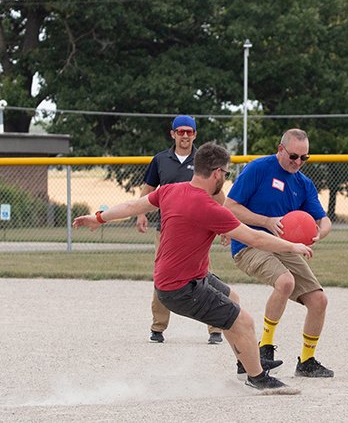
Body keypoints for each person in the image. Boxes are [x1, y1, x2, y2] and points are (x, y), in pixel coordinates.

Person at [73, 142, 312, 393]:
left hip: (177, 279)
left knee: (232, 298)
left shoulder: (170, 190)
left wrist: (98, 218)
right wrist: (292, 246)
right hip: (181, 288)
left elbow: (133, 206)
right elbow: (254, 238)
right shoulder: (208, 207)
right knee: (244, 322)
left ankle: (244, 364)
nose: (225, 179)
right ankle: (258, 378)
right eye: (227, 174)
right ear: (217, 173)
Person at [225, 128, 334, 378]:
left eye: (304, 158)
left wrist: (321, 233)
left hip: (284, 247)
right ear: (280, 149)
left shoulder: (303, 183)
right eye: (294, 156)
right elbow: (230, 207)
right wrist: (266, 221)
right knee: (285, 281)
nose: (298, 163)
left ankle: (306, 362)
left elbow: (323, 219)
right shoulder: (258, 169)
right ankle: (265, 348)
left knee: (319, 301)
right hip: (249, 245)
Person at [135, 115, 225, 345]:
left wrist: (225, 227)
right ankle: (158, 327)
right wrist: (141, 213)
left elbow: (218, 194)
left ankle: (216, 328)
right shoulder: (160, 160)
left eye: (190, 132)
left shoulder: (204, 160)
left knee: (206, 275)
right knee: (162, 274)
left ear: (195, 134)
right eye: (181, 131)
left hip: (199, 231)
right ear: (172, 134)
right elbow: (148, 190)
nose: (185, 136)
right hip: (167, 229)